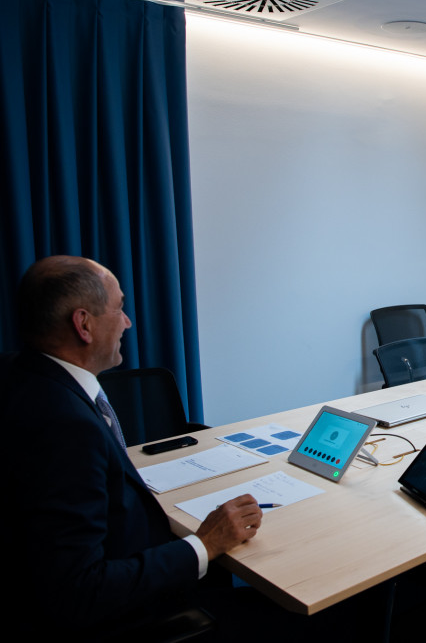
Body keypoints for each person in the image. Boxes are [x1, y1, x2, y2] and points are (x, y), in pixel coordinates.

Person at [1, 256, 263, 639]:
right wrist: (204, 545)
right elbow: (79, 591)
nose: (127, 322)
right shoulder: (66, 425)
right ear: (84, 324)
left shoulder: (20, 375)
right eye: (119, 308)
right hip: (131, 616)